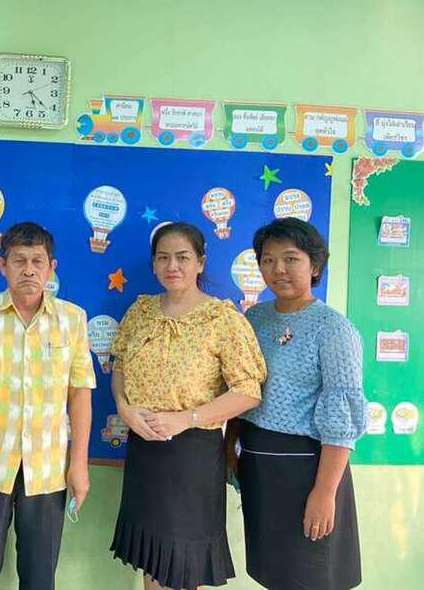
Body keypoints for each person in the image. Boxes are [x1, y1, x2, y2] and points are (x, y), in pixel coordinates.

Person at [109, 221, 266, 590]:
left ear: (200, 262)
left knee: (182, 564)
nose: (172, 266)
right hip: (144, 451)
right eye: (163, 258)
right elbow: (120, 367)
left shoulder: (222, 319)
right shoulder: (141, 311)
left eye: (182, 257)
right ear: (153, 264)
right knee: (151, 559)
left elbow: (248, 391)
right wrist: (124, 407)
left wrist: (186, 418)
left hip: (192, 456)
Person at [0, 221, 96, 590]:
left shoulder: (72, 319)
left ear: (51, 267)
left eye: (37, 261)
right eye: (19, 261)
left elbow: (80, 394)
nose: (29, 270)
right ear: (2, 266)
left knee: (40, 577)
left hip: (47, 470)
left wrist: (78, 464)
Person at [231, 217, 366, 590]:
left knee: (310, 575)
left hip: (309, 470)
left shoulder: (333, 328)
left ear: (315, 265)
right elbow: (241, 388)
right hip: (258, 466)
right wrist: (231, 449)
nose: (278, 269)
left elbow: (342, 418)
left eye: (291, 258)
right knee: (274, 573)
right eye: (268, 260)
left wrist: (324, 493)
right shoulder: (254, 318)